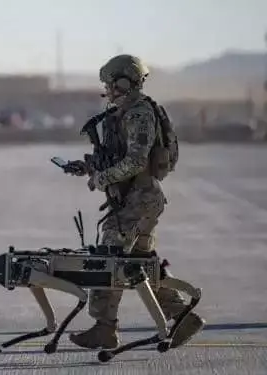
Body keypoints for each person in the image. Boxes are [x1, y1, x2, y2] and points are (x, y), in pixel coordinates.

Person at [68, 54, 206, 350]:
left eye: (110, 83)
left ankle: (104, 329)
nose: (107, 88)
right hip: (139, 199)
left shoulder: (139, 113)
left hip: (139, 200)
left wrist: (102, 178)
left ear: (124, 82)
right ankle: (183, 318)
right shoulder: (125, 112)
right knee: (141, 265)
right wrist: (90, 167)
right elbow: (123, 159)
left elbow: (135, 161)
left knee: (108, 259)